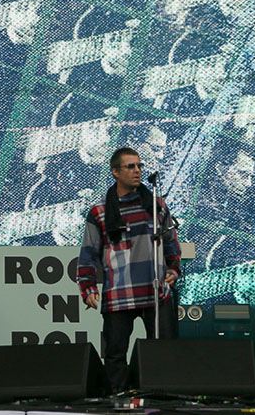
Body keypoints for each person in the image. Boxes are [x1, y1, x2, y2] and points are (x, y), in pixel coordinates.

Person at [77, 147, 181, 391]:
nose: (137, 171)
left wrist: (173, 271)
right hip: (119, 292)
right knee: (114, 355)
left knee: (164, 352)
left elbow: (172, 245)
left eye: (139, 166)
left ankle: (162, 400)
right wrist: (87, 286)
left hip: (155, 290)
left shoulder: (156, 206)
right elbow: (88, 254)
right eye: (130, 166)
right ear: (115, 171)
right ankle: (117, 401)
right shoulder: (100, 212)